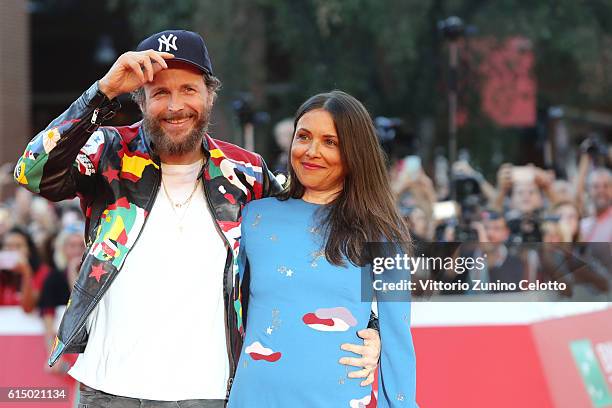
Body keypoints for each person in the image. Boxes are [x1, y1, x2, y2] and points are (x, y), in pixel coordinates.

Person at [14, 29, 380, 407]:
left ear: (210, 95)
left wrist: (371, 325)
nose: (175, 106)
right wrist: (103, 92)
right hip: (108, 391)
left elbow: (313, 246)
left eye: (188, 90)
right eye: (160, 93)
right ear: (140, 100)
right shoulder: (108, 152)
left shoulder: (247, 174)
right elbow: (31, 172)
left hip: (212, 394)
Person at [227, 91, 417, 407]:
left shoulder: (382, 233)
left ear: (354, 152)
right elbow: (225, 307)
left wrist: (377, 336)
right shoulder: (255, 217)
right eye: (304, 137)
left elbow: (398, 339)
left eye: (330, 142)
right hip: (253, 398)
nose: (312, 151)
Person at [0, 226, 50, 310]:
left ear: (29, 250)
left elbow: (28, 307)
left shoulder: (43, 272)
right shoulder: (2, 274)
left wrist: (26, 272)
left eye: (18, 246)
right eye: (8, 246)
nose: (12, 250)